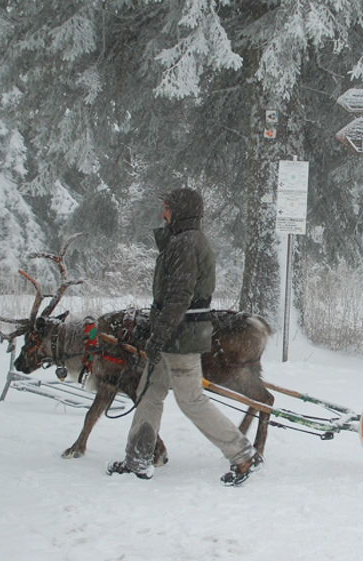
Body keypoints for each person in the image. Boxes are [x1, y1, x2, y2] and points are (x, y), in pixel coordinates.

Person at [107, 187, 262, 485]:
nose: (163, 213)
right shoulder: (182, 241)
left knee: (191, 400)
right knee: (149, 392)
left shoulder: (186, 244)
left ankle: (242, 454)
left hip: (181, 336)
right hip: (175, 335)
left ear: (180, 211)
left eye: (167, 208)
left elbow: (179, 296)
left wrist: (159, 334)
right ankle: (138, 459)